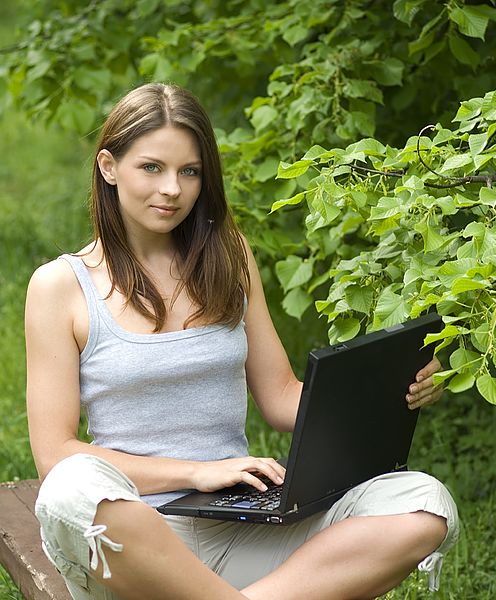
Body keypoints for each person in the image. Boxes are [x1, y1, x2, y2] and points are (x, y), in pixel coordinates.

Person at [25, 82, 459, 600]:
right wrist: (197, 472)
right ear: (108, 166)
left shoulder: (228, 256)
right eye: (151, 167)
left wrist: (386, 393)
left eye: (190, 172)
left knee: (422, 502)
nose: (172, 189)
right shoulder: (60, 286)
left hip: (241, 526)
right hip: (134, 537)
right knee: (70, 490)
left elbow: (280, 398)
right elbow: (56, 456)